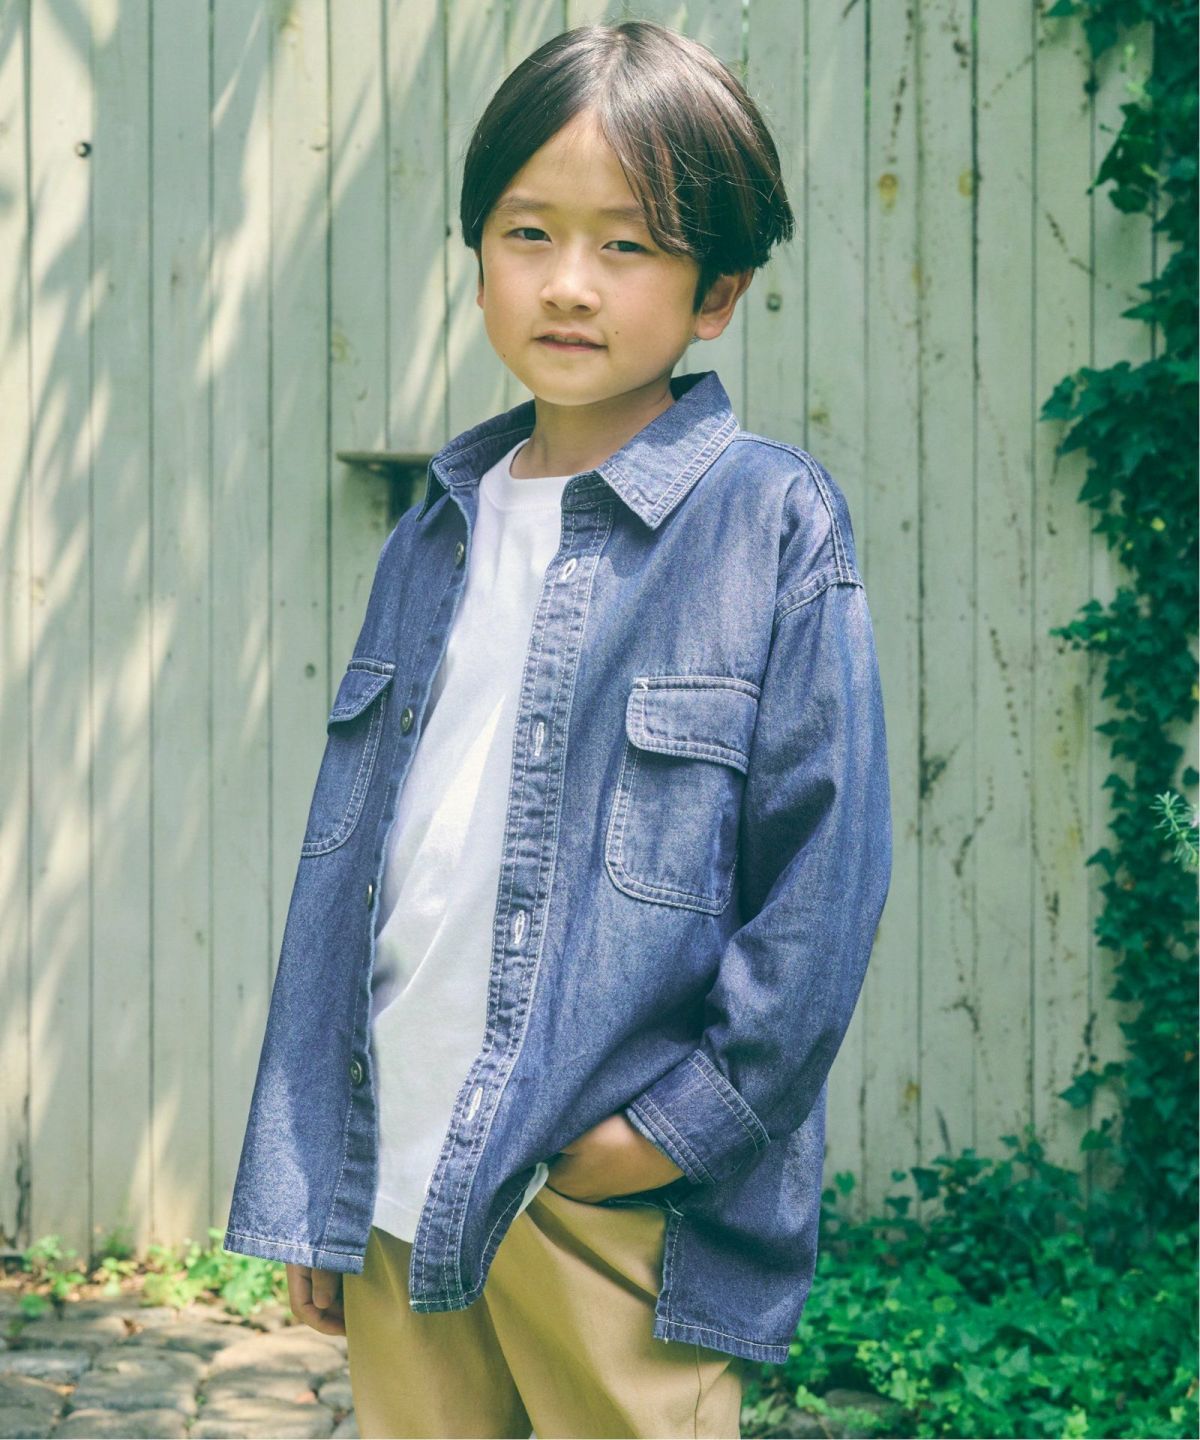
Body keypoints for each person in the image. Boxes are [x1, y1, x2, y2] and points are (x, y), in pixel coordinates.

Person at [222, 18, 893, 1440]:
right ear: (478, 255)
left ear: (717, 293)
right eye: (529, 233)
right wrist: (318, 1172)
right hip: (399, 1164)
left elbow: (822, 886)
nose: (569, 282)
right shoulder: (433, 534)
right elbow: (352, 876)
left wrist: (669, 1134)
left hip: (602, 1199)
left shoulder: (766, 524)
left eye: (629, 245)